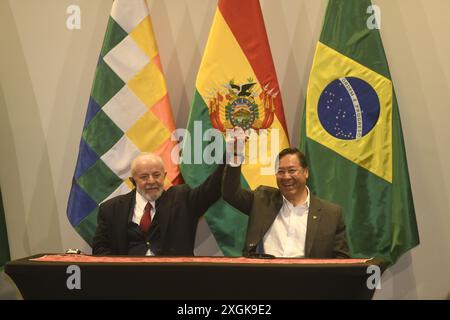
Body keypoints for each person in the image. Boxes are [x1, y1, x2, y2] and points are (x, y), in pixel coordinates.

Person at [222, 145, 350, 258]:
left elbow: (341, 260)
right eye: (281, 172)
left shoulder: (331, 213)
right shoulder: (262, 200)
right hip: (264, 277)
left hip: (308, 280)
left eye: (292, 170)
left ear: (305, 172)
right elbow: (230, 193)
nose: (286, 177)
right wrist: (235, 155)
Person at [92, 153, 224, 256]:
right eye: (144, 177)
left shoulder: (182, 199)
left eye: (157, 175)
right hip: (128, 283)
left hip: (174, 282)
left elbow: (211, 189)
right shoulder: (111, 209)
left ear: (164, 176)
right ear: (133, 181)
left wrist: (231, 155)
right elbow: (101, 250)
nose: (151, 181)